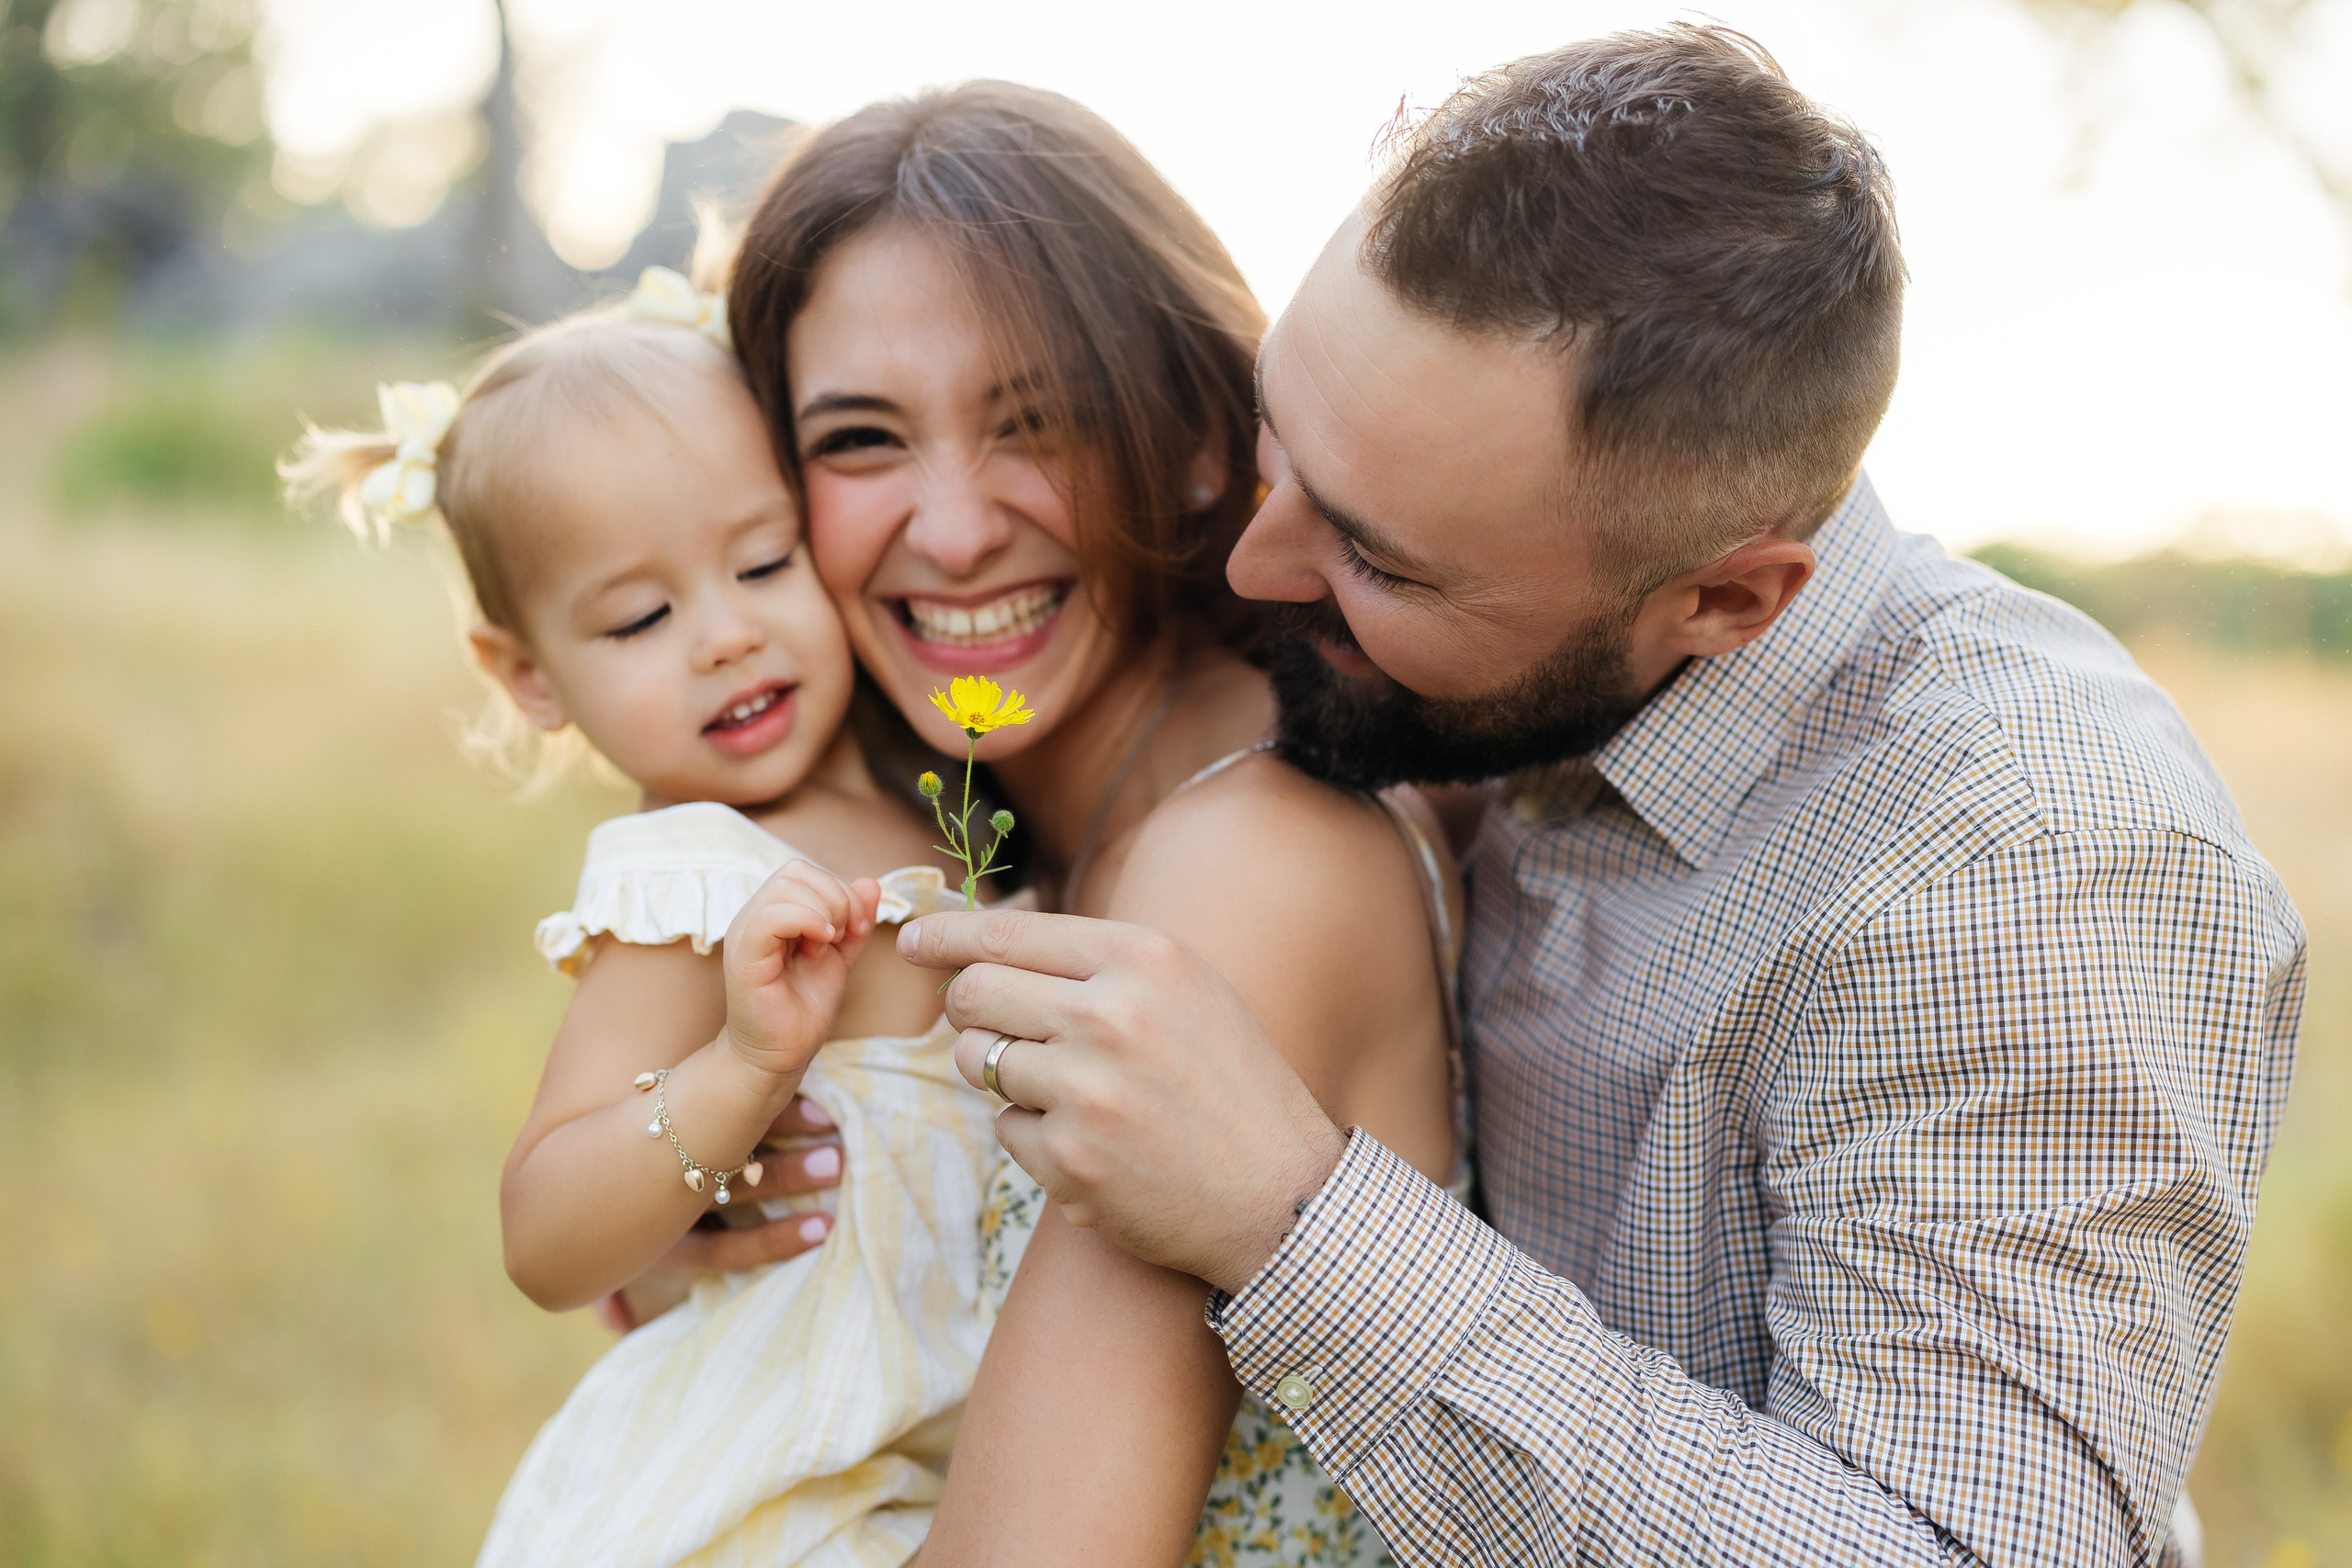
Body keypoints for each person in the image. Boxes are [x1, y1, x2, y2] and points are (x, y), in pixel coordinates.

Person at [879, 28, 2307, 1568]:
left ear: (1724, 600)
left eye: (1379, 560)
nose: (1256, 563)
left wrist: (1285, 1212)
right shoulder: (1501, 677)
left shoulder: (2026, 864)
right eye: (1281, 431)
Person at [728, 82, 1462, 1563]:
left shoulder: (1249, 861)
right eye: (862, 439)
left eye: (1040, 422)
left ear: (1198, 440)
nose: (951, 532)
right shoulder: (1018, 836)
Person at [287, 271, 1001, 1566]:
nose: (725, 635)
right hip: (772, 1496)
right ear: (528, 676)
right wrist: (741, 1070)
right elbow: (545, 1237)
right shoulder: (693, 884)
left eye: (764, 562)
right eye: (641, 617)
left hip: (943, 1463)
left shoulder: (940, 778)